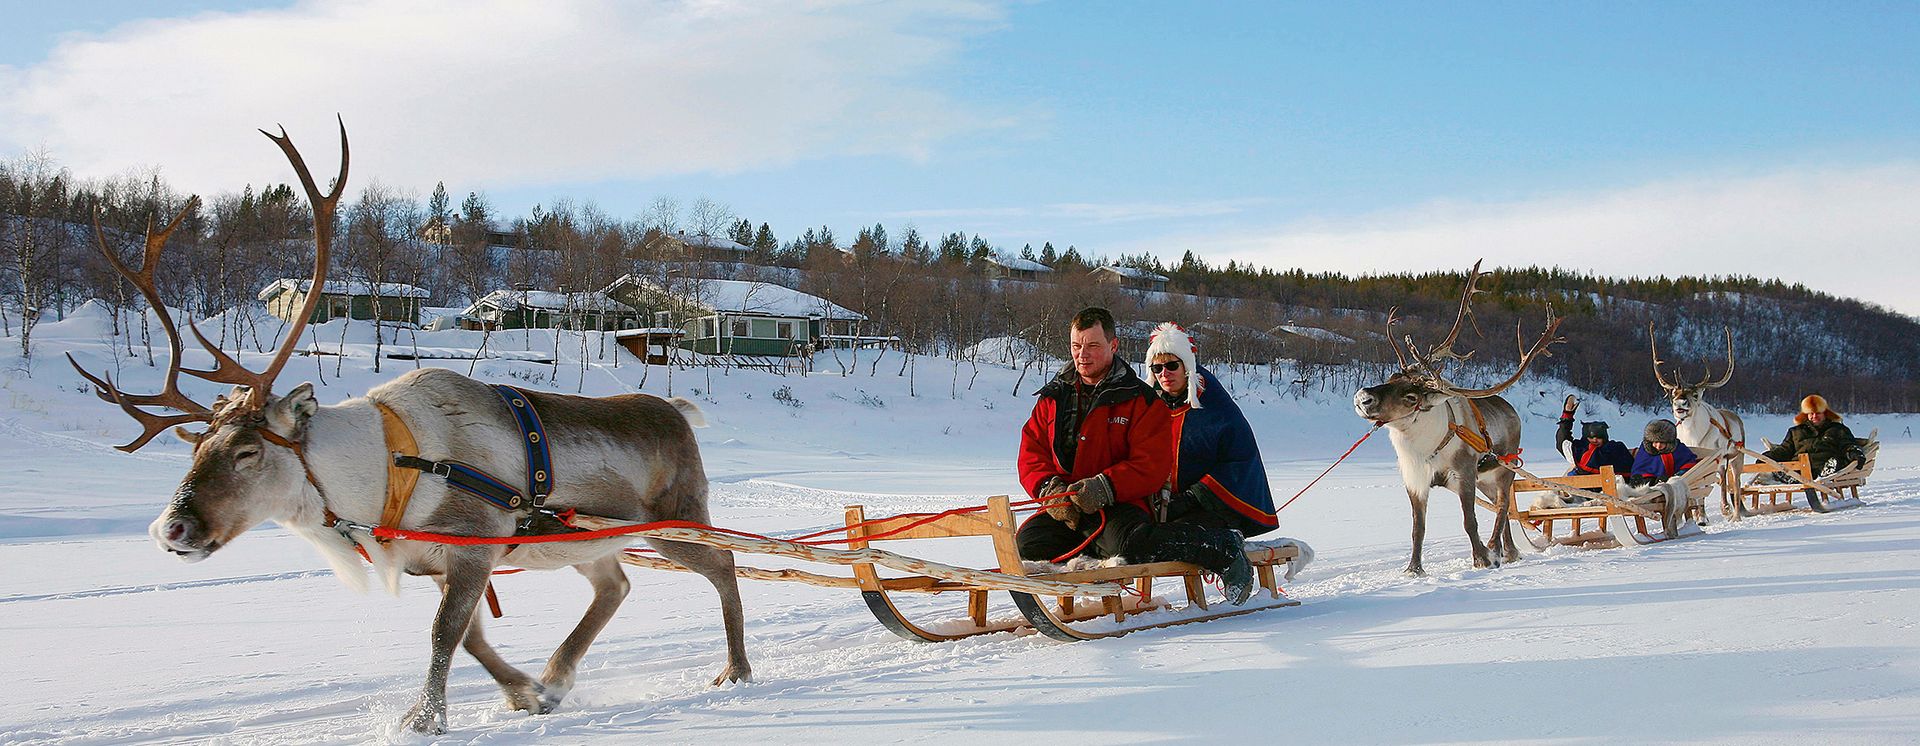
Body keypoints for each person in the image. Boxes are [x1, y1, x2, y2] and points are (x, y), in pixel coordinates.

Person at [1016, 308, 1255, 604]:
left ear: (1113, 346)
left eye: (1093, 346)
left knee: (1130, 546)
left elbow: (1152, 464)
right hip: (1067, 508)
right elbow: (1032, 451)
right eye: (1077, 346)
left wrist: (1105, 487)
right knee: (1028, 545)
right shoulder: (1053, 397)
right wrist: (1048, 490)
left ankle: (1220, 547)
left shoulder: (1140, 400)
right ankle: (1090, 562)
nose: (1083, 355)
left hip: (1119, 504)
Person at [1143, 322, 1277, 537]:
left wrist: (1193, 497)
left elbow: (1239, 461)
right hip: (1167, 504)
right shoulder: (1152, 408)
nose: (1164, 374)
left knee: (1180, 535)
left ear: (1186, 365)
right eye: (1157, 368)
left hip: (1218, 508)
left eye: (1172, 366)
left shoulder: (1215, 407)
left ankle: (1235, 563)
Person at [1763, 394, 1860, 479]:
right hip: (1799, 467)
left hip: (1825, 464)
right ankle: (1791, 476)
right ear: (1806, 415)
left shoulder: (1838, 429)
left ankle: (1826, 472)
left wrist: (1854, 453)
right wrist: (1767, 457)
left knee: (1835, 462)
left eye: (1818, 413)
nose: (1814, 416)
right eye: (1811, 413)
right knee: (1786, 468)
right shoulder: (1795, 431)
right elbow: (1785, 449)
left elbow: (1847, 444)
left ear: (1825, 413)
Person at [1555, 395, 1633, 477]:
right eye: (1591, 438)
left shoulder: (1613, 449)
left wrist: (1567, 417)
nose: (1595, 440)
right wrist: (1567, 416)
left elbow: (1563, 443)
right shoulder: (1581, 449)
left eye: (1599, 437)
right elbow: (1563, 443)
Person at [1627, 419, 1700, 487]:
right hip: (1645, 482)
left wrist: (1677, 476)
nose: (1658, 446)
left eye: (1662, 442)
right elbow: (1639, 467)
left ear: (1669, 442)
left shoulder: (1678, 449)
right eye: (1655, 442)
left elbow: (1688, 462)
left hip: (1667, 482)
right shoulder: (1646, 450)